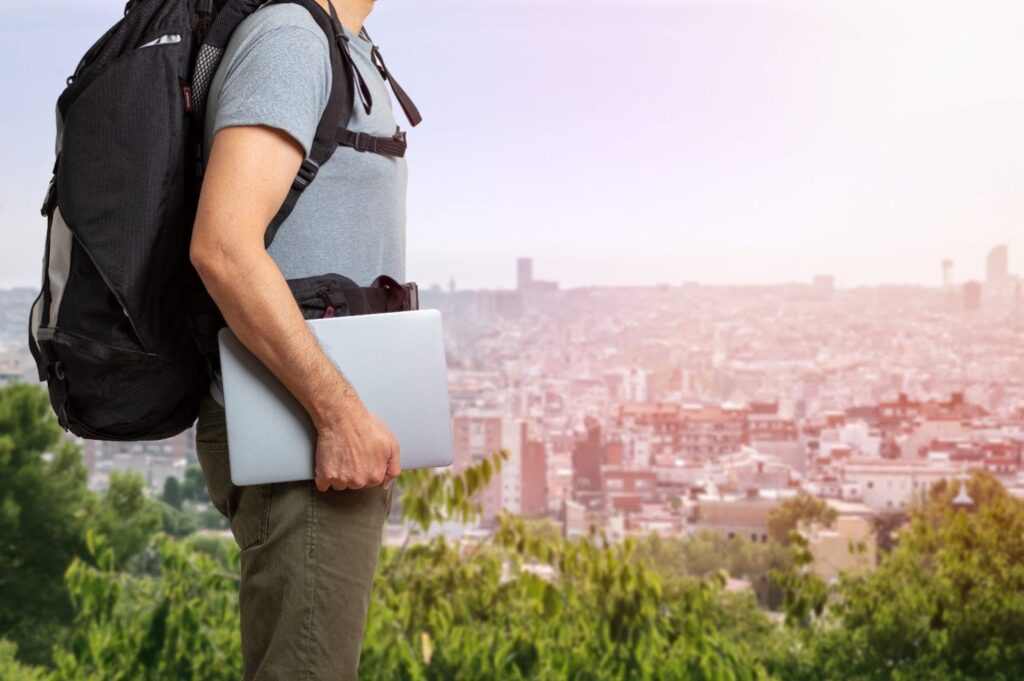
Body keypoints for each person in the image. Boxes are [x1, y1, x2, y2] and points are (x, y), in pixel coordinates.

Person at [187, 0, 406, 677]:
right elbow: (222, 247)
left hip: (322, 434)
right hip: (302, 440)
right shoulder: (291, 38)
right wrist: (338, 414)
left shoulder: (347, 43)